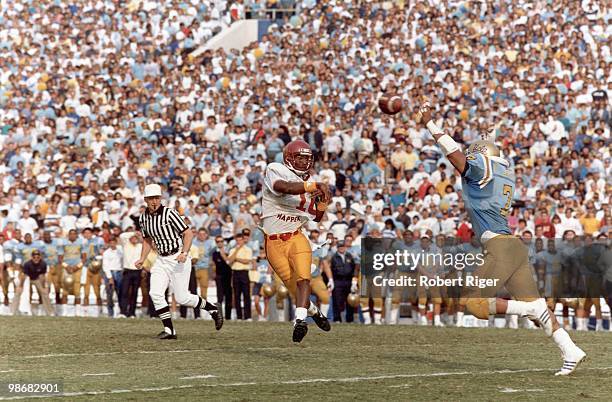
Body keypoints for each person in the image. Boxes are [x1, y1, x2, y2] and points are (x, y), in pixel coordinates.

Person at [418, 101, 585, 376]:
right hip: (512, 245)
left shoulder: (481, 166)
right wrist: (489, 139)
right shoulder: (502, 170)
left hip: (499, 245)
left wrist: (431, 125)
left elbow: (457, 157)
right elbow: (485, 158)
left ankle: (531, 308)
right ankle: (569, 349)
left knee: (474, 303)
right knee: (539, 310)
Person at [261, 139, 331, 342]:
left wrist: (323, 203)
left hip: (296, 237)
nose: (304, 162)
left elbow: (316, 218)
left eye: (307, 158)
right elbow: (282, 187)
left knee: (303, 278)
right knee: (295, 290)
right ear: (289, 158)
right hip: (273, 242)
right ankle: (314, 312)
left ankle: (299, 321)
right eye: (300, 157)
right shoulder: (275, 169)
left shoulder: (310, 184)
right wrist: (312, 186)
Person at [135, 183, 223, 339]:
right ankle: (169, 331)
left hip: (177, 258)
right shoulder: (143, 218)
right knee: (155, 293)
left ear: (160, 198)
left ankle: (212, 308)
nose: (154, 202)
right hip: (161, 259)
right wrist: (142, 258)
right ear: (145, 200)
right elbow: (147, 240)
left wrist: (184, 252)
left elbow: (188, 234)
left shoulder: (169, 213)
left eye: (156, 198)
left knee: (183, 297)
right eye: (151, 198)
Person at [11, 250, 54, 316]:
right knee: (18, 292)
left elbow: (42, 276)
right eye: (34, 257)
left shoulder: (43, 264)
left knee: (45, 293)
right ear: (32, 257)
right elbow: (24, 276)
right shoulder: (27, 264)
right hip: (27, 279)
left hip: (37, 279)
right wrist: (21, 286)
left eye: (37, 257)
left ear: (40, 257)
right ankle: (13, 311)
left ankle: (50, 312)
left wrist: (44, 287)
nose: (36, 259)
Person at [223, 233, 252, 320]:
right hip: (235, 273)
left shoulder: (248, 249)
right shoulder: (232, 250)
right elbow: (229, 261)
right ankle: (239, 316)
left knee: (246, 295)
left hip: (244, 273)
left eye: (240, 240)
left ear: (243, 240)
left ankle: (248, 316)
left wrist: (237, 259)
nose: (238, 242)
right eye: (237, 240)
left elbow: (246, 261)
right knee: (237, 295)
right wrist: (236, 251)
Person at [118, 230, 143, 318]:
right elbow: (122, 236)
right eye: (132, 238)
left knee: (134, 293)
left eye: (135, 238)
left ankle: (132, 312)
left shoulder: (140, 246)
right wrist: (133, 233)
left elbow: (146, 242)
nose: (134, 239)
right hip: (127, 271)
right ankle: (123, 312)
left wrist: (139, 236)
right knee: (124, 292)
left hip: (137, 271)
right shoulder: (126, 244)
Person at [330, 241, 356, 323]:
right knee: (337, 300)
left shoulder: (349, 256)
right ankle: (337, 319)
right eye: (340, 247)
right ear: (337, 248)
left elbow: (353, 267)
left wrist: (353, 281)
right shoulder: (334, 257)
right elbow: (331, 269)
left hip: (348, 280)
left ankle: (350, 319)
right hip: (338, 280)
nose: (342, 248)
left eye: (343, 246)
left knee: (350, 300)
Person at [211, 236, 233, 320]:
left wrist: (224, 255)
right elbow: (214, 264)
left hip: (228, 276)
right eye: (218, 241)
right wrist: (214, 274)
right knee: (219, 297)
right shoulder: (214, 253)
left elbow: (230, 263)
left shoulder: (229, 252)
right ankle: (219, 316)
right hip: (219, 276)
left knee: (228, 296)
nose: (219, 243)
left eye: (221, 241)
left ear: (223, 242)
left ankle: (228, 316)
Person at [102, 236, 123, 317]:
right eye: (110, 242)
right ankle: (110, 313)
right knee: (110, 293)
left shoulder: (120, 251)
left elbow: (123, 261)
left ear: (116, 242)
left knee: (120, 292)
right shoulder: (106, 253)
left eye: (114, 242)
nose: (112, 244)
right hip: (110, 272)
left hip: (119, 272)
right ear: (109, 243)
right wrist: (110, 278)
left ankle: (121, 312)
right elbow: (105, 266)